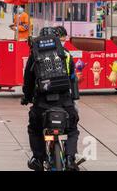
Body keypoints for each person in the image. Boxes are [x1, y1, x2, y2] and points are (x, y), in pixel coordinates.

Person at [21, 27, 80, 171]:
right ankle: (70, 158)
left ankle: (38, 158)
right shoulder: (65, 54)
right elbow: (73, 78)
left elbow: (28, 80)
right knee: (72, 129)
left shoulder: (34, 55)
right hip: (65, 103)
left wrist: (27, 97)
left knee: (34, 129)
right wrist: (73, 97)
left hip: (42, 104)